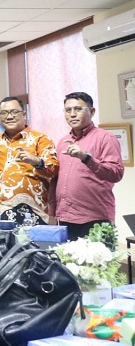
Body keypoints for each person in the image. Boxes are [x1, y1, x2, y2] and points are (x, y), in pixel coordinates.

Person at [49, 92, 124, 240]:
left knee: (99, 256)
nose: (72, 114)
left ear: (92, 111)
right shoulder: (63, 141)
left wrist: (86, 158)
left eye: (78, 109)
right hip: (65, 218)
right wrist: (52, 212)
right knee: (66, 256)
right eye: (68, 110)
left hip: (95, 218)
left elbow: (116, 173)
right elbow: (55, 179)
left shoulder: (105, 138)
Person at [0, 97, 58, 224]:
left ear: (24, 114)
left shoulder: (40, 139)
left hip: (33, 212)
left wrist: (37, 162)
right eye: (4, 113)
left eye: (14, 112)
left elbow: (53, 169)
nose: (9, 117)